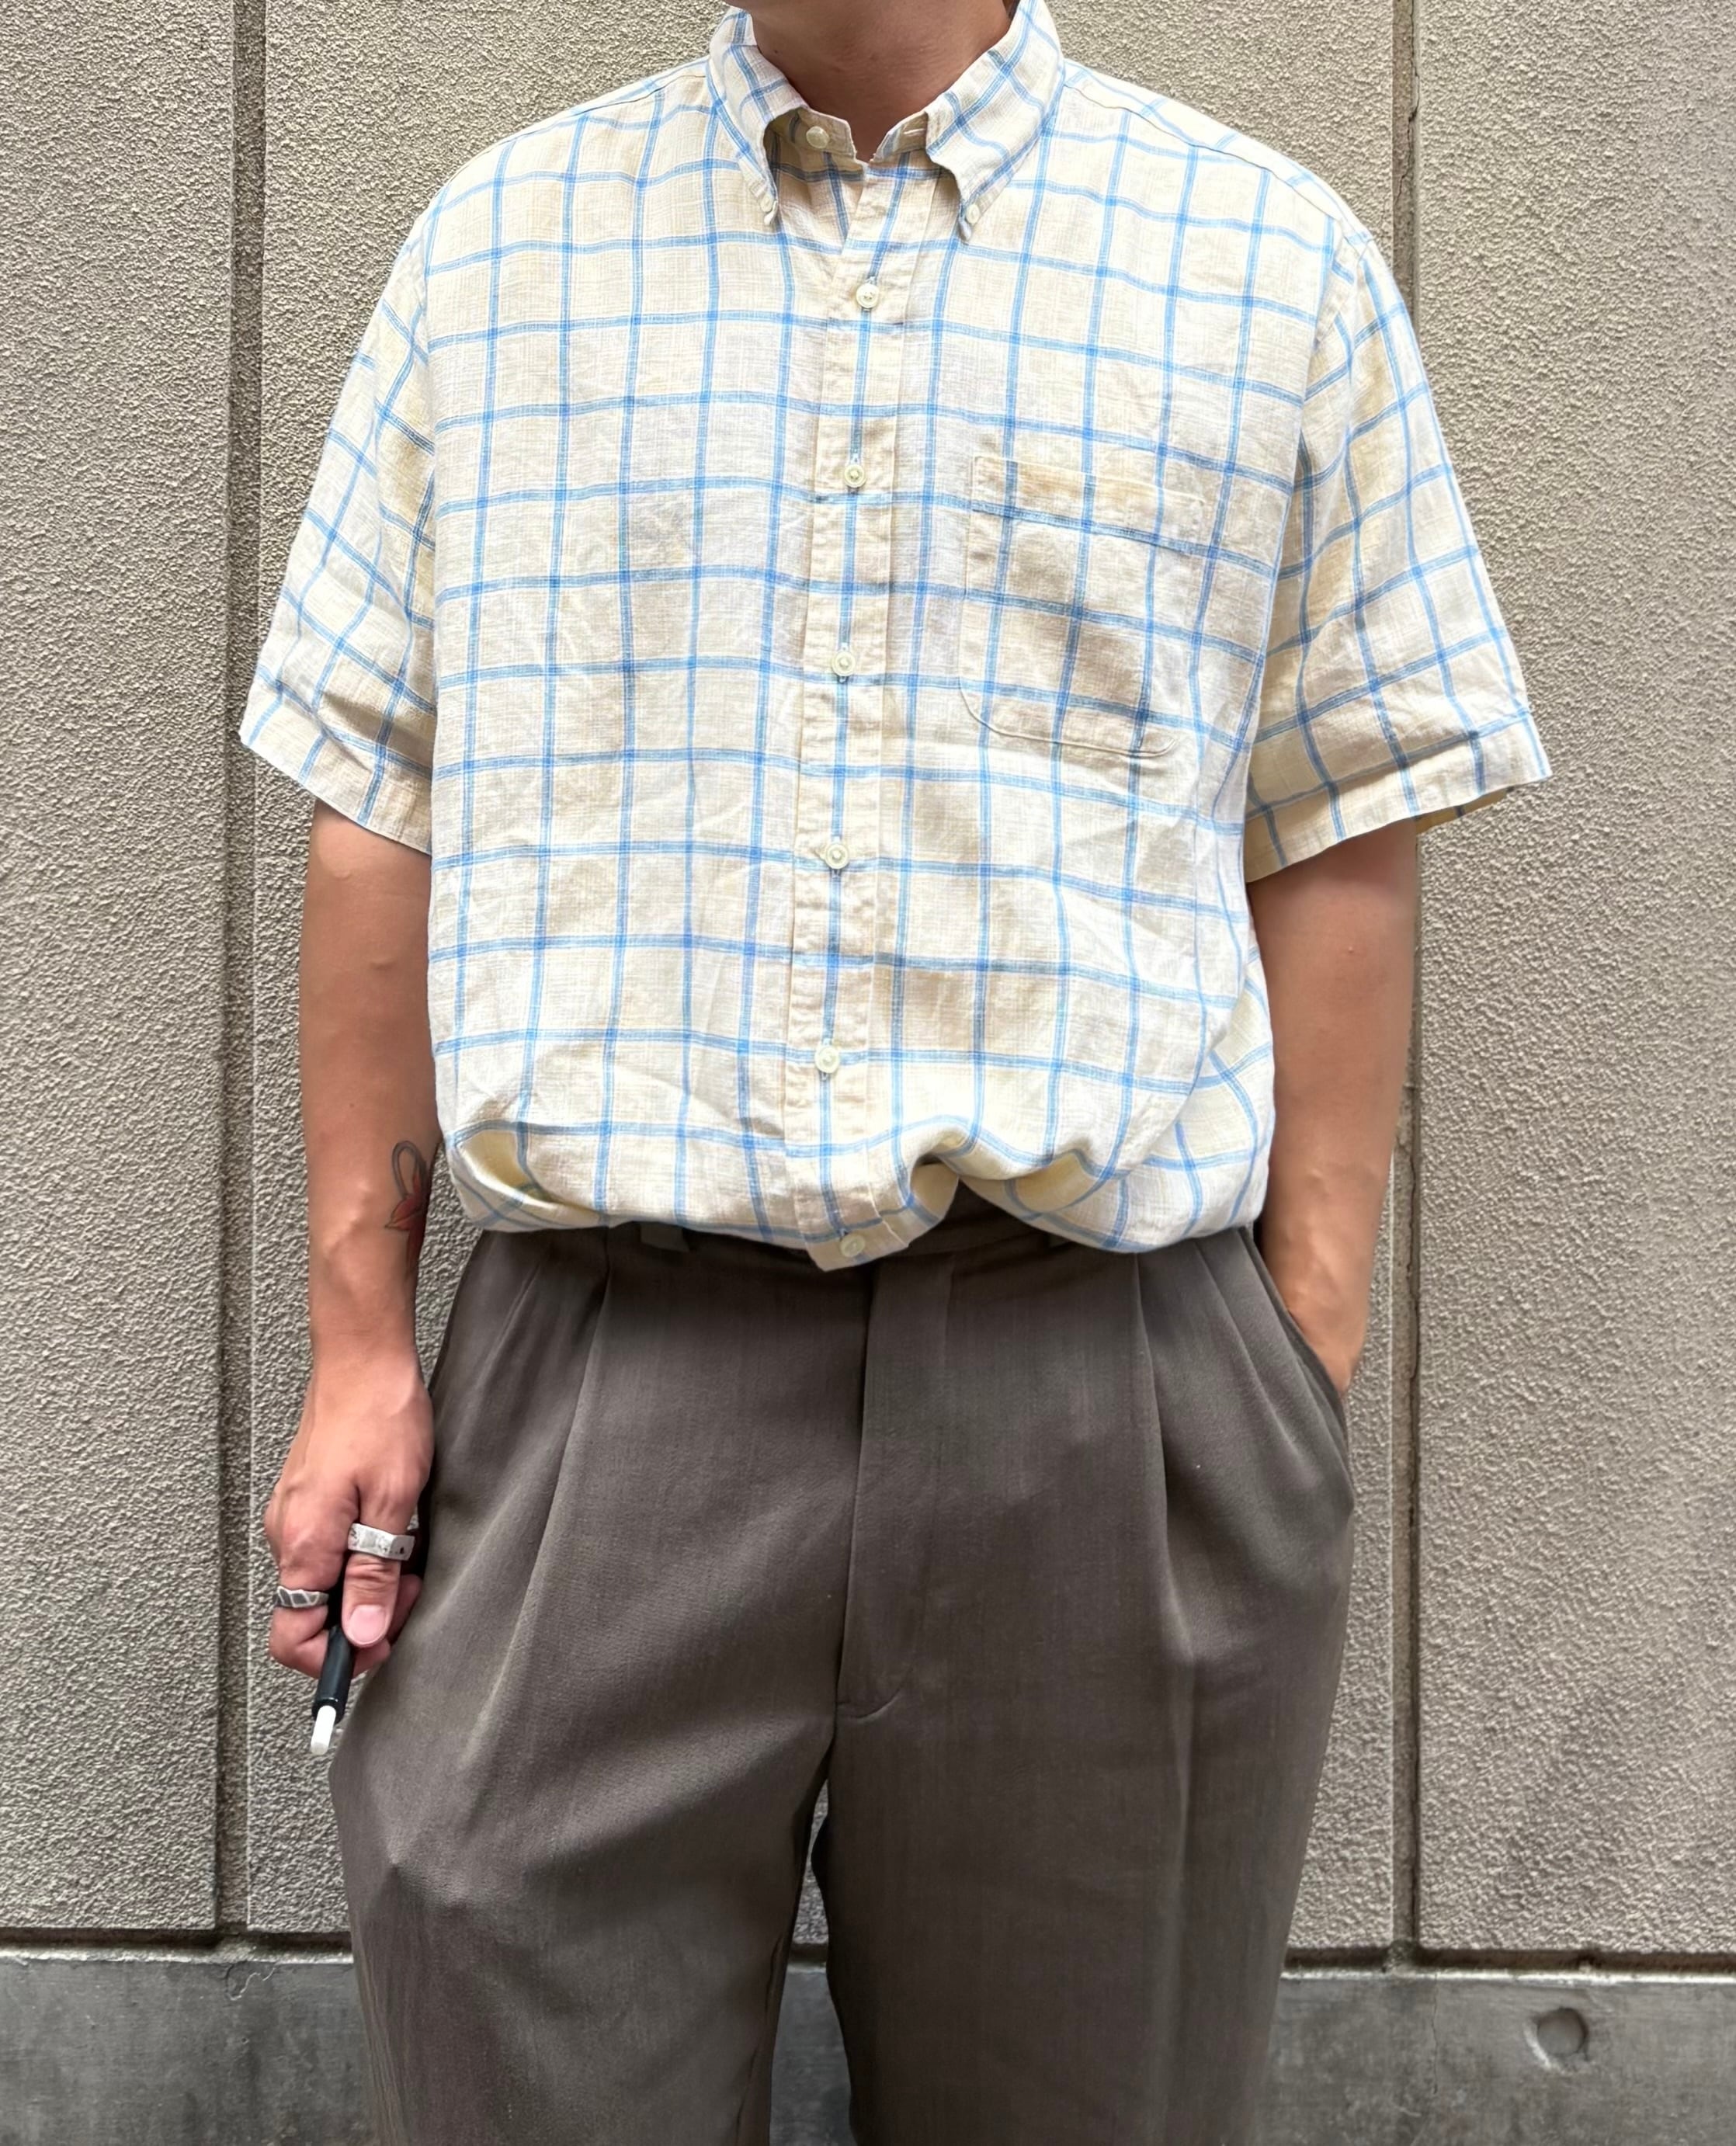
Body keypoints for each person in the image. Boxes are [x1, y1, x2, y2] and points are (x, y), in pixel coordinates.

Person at [242, 0, 1550, 2137]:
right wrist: (359, 1342)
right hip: (596, 1386)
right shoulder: (498, 251)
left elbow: (1338, 815)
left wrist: (1285, 1357)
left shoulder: (1265, 260)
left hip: (1099, 1390)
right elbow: (377, 797)